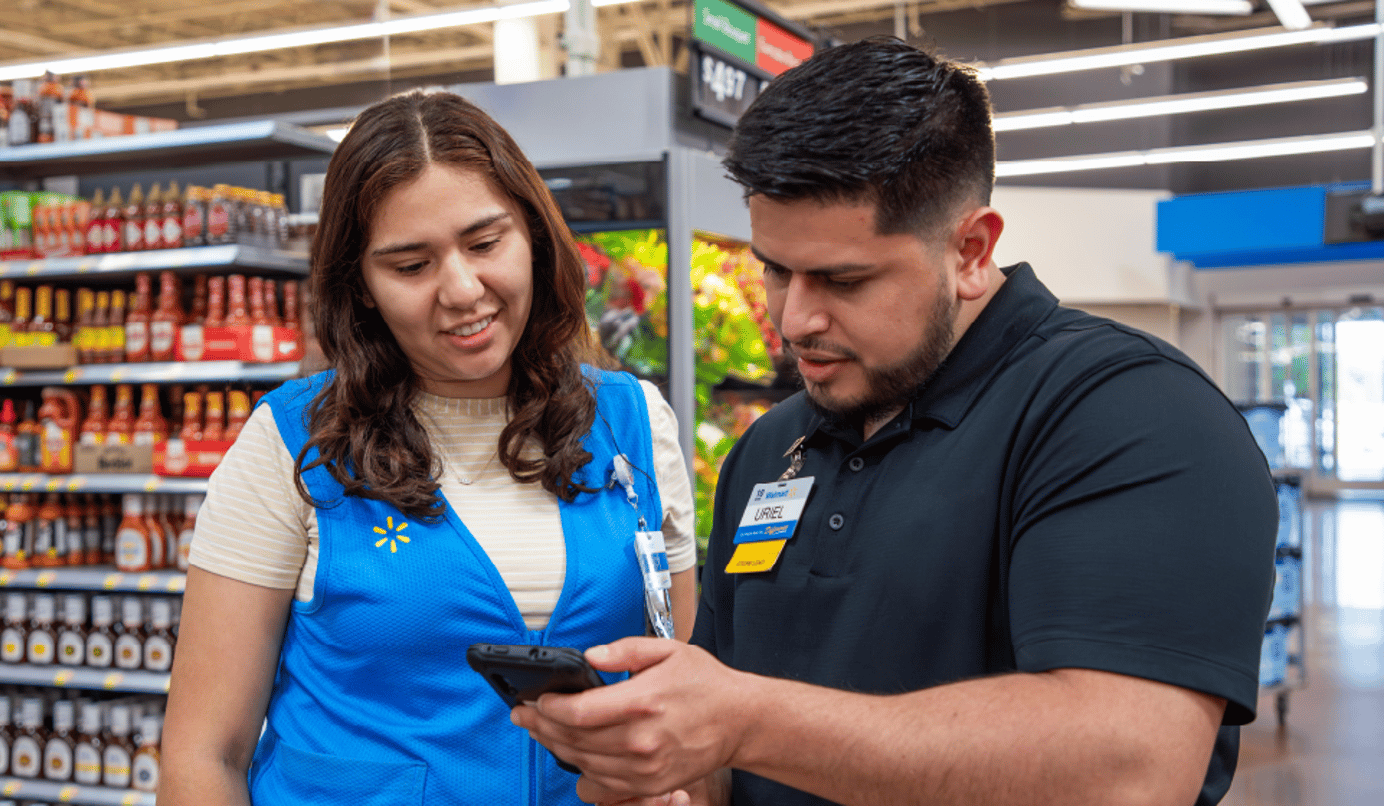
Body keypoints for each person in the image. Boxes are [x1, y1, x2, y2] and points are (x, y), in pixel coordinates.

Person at [513, 36, 1277, 806]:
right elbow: (732, 756)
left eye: (844, 279)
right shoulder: (773, 446)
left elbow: (1131, 771)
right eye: (775, 269)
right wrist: (680, 779)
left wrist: (744, 723)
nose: (795, 318)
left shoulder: (1129, 414)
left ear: (971, 250)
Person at [158, 89, 696, 805]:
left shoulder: (634, 425)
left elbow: (691, 710)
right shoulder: (290, 445)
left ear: (533, 234)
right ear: (363, 287)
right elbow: (203, 754)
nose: (462, 289)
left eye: (484, 243)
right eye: (410, 266)